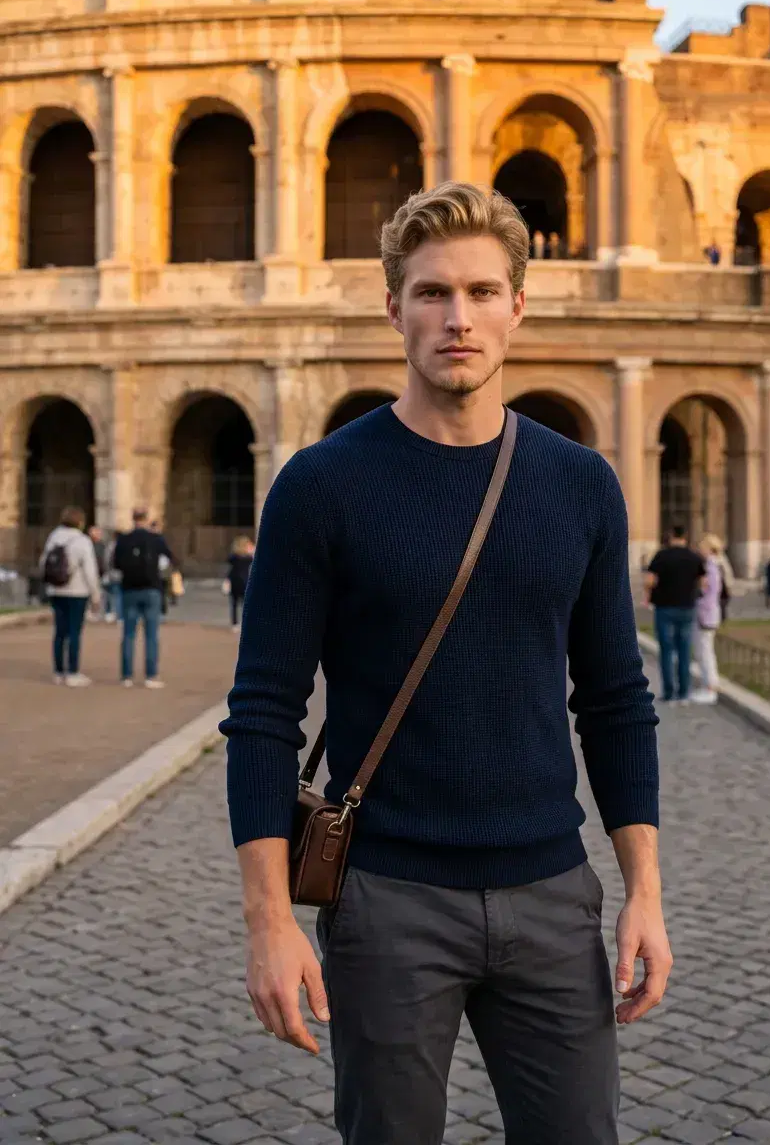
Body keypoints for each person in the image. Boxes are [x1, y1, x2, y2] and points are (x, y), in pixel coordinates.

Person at [221, 181, 671, 1145]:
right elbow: (263, 712)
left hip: (553, 893)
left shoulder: (582, 484)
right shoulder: (321, 486)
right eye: (430, 293)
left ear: (519, 303)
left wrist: (645, 893)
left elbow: (616, 700)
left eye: (478, 292)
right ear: (394, 308)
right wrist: (269, 920)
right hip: (386, 900)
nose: (456, 318)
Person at [39, 506, 102, 687]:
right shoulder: (82, 541)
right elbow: (90, 571)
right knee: (74, 632)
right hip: (77, 592)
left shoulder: (53, 537)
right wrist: (95, 595)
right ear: (80, 522)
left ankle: (58, 671)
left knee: (59, 632)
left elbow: (44, 562)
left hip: (56, 590)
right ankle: (73, 671)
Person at [113, 509, 175, 689]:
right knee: (151, 635)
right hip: (151, 588)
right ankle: (151, 675)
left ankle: (126, 676)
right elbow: (170, 557)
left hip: (130, 588)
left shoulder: (124, 539)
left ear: (133, 519)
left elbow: (115, 563)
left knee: (128, 634)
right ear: (146, 519)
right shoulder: (155, 538)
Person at [644, 526, 706, 703]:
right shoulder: (694, 557)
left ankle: (669, 692)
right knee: (685, 650)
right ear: (685, 536)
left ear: (670, 536)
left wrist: (649, 595)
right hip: (687, 607)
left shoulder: (661, 556)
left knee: (666, 651)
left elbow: (650, 581)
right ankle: (684, 692)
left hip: (664, 608)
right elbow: (703, 582)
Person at [692, 534, 723, 705]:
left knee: (705, 652)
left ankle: (710, 687)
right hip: (707, 612)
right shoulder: (712, 566)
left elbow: (709, 594)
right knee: (704, 651)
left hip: (706, 613)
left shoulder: (711, 567)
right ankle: (710, 684)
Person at [225, 535, 254, 632]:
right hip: (244, 582)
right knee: (245, 604)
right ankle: (247, 623)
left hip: (234, 581)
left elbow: (230, 564)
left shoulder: (234, 557)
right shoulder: (248, 558)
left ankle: (234, 624)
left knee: (234, 604)